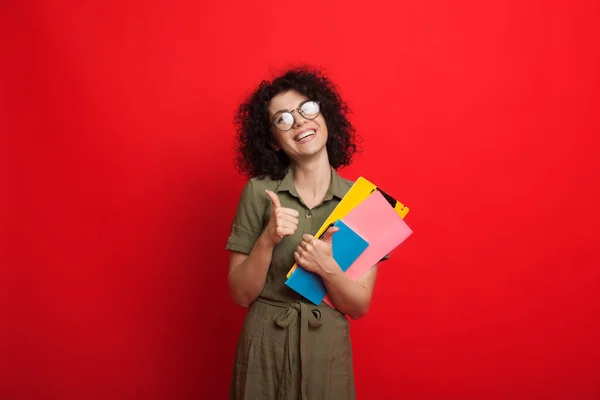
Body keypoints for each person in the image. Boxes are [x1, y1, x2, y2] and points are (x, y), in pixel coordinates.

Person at [226, 66, 382, 400]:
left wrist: (326, 267)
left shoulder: (365, 203)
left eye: (306, 109)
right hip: (264, 350)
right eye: (282, 118)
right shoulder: (257, 193)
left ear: (324, 115)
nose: (298, 122)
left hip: (327, 352)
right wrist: (267, 240)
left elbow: (358, 306)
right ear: (273, 140)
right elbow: (240, 295)